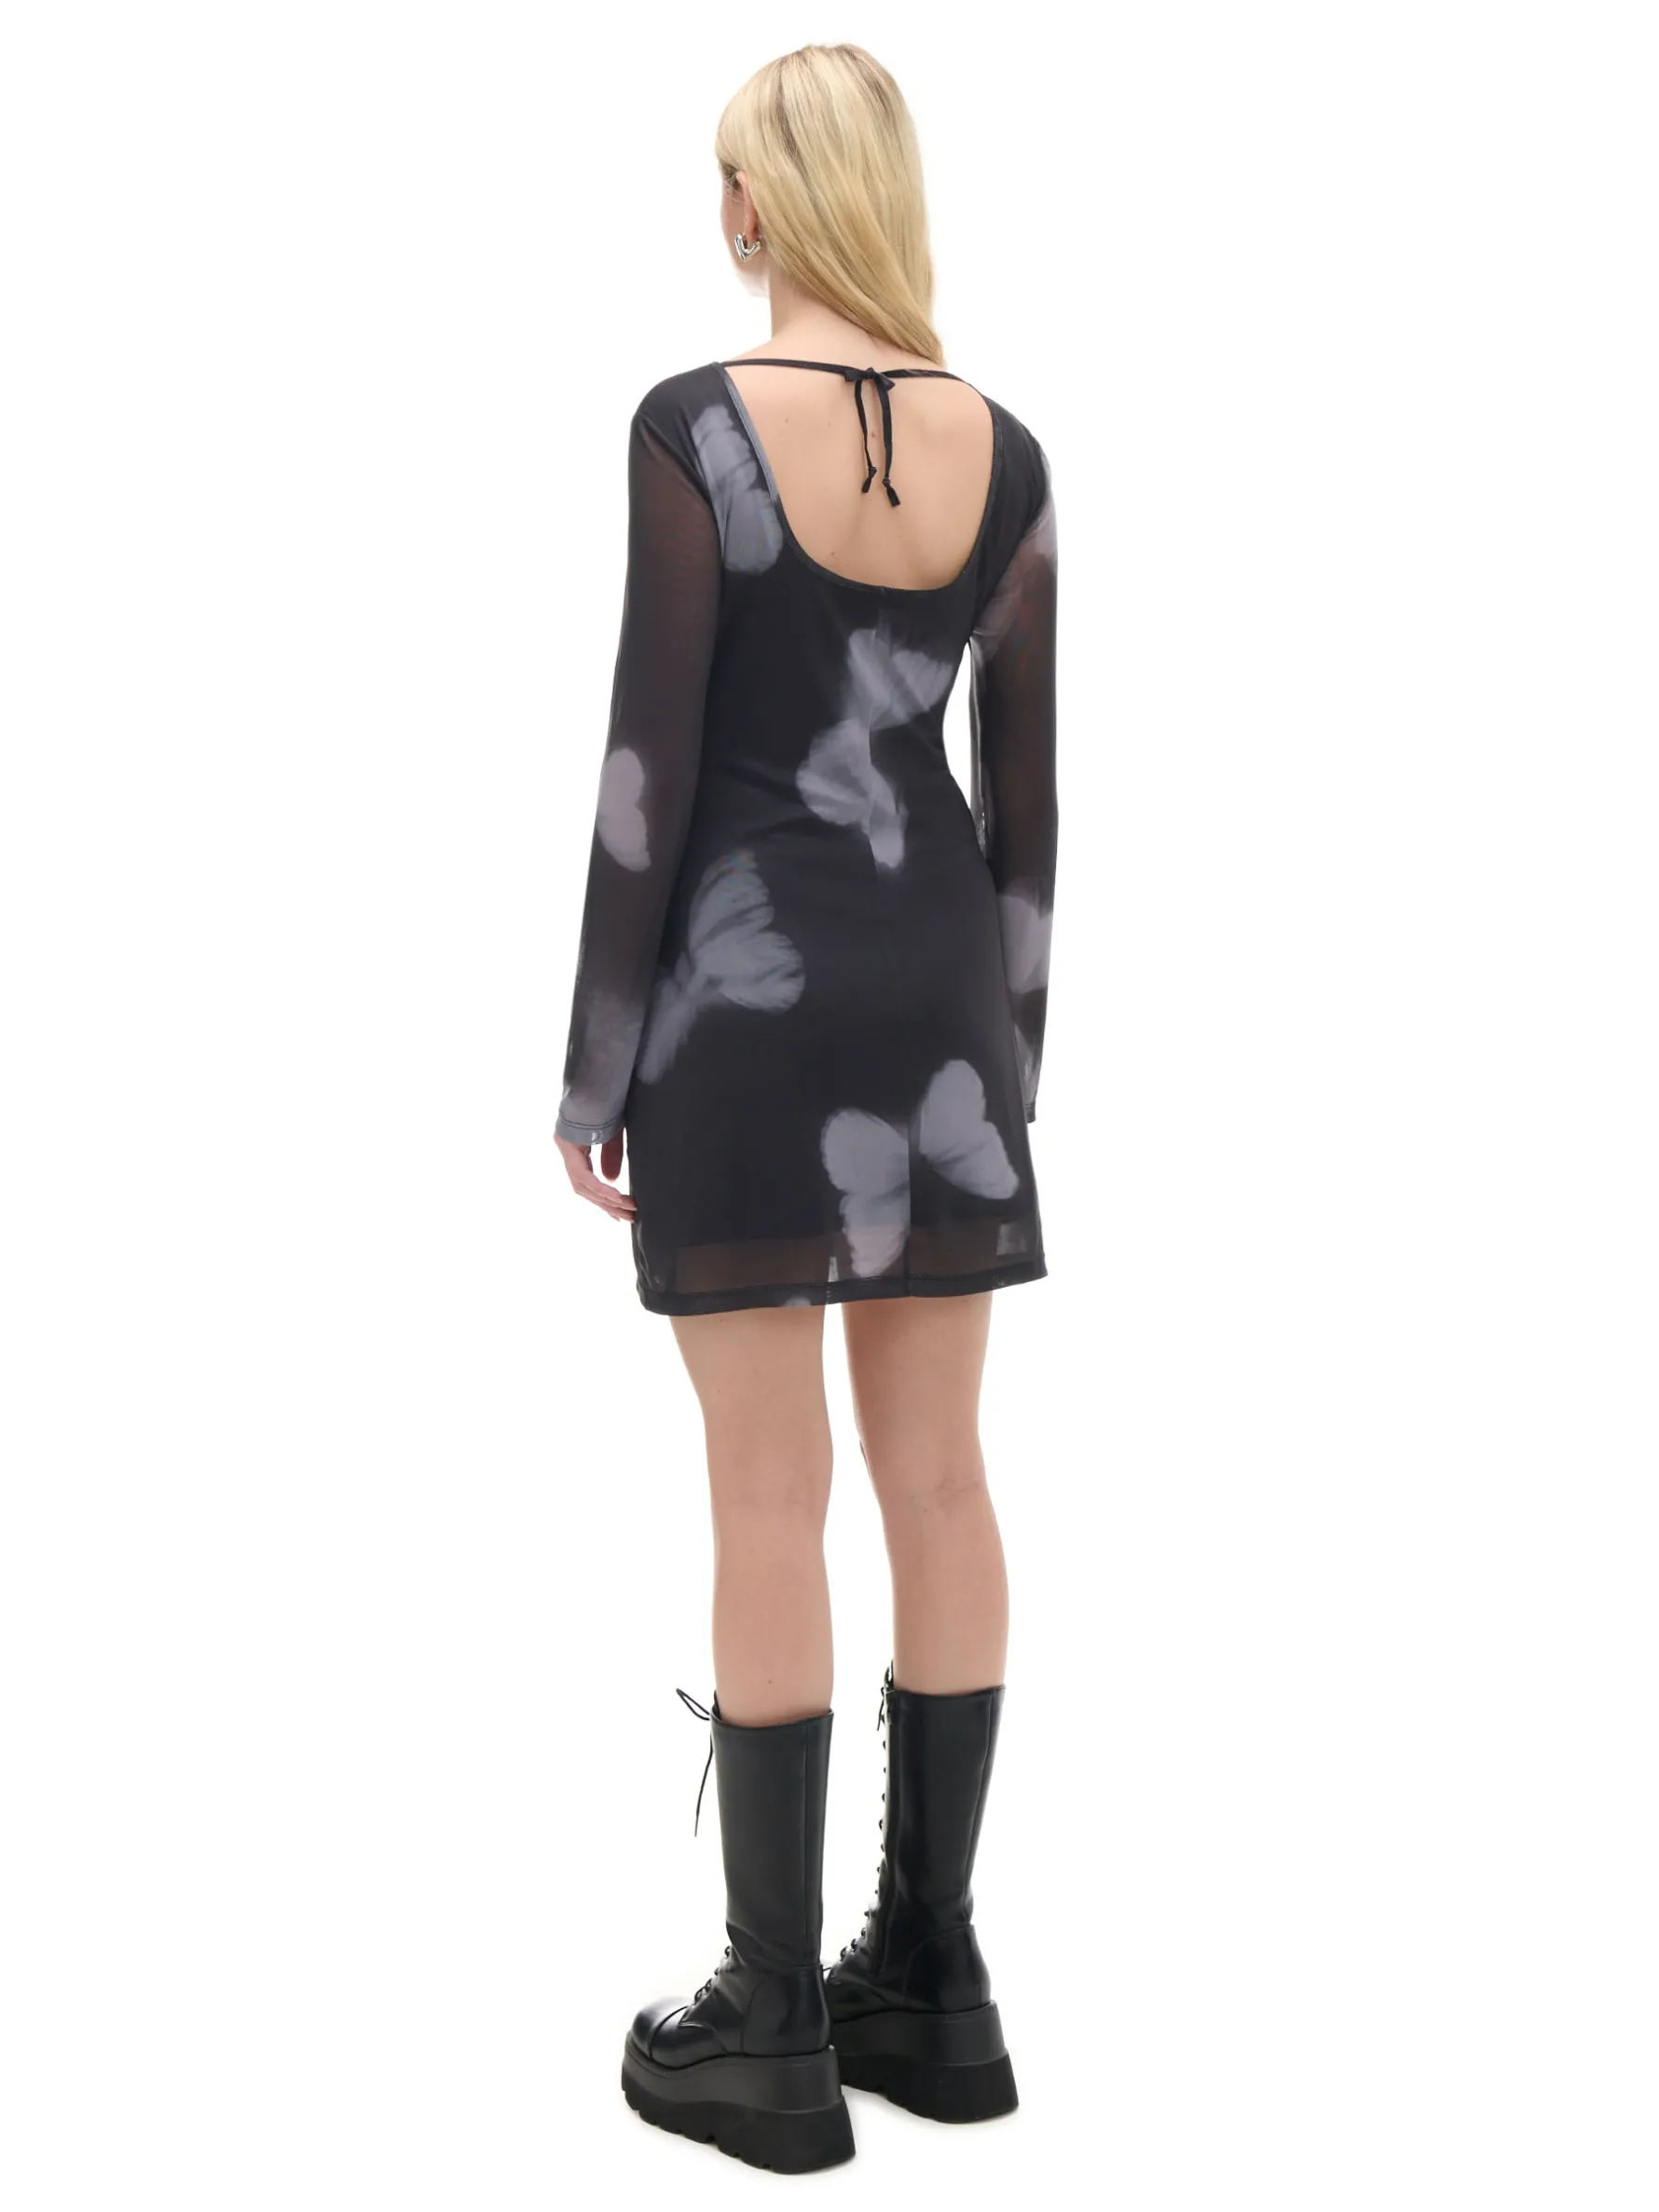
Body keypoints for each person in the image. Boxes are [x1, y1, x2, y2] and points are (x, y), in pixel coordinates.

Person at [554, 43, 1058, 2174]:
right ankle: (929, 1978)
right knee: (937, 1474)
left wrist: (595, 1062)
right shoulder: (1004, 454)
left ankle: (767, 2023)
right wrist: (1007, 1067)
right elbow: (1023, 806)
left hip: (743, 1002)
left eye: (728, 178)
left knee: (768, 1494)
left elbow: (648, 768)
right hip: (938, 1003)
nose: (722, 211)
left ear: (764, 198)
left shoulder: (693, 426)